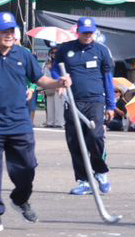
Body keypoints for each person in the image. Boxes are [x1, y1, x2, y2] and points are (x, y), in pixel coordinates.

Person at [0, 11, 70, 232]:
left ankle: (20, 198)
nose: (9, 35)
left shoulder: (24, 55)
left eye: (11, 31)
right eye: (4, 31)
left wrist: (58, 82)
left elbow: (40, 79)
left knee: (27, 168)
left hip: (20, 122)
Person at [50, 16, 117, 197]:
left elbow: (108, 79)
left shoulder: (102, 51)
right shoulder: (65, 49)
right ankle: (83, 180)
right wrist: (60, 79)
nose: (87, 35)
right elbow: (55, 69)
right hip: (73, 101)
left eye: (90, 32)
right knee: (75, 141)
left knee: (95, 137)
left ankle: (100, 172)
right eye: (84, 32)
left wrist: (111, 105)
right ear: (77, 31)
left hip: (95, 101)